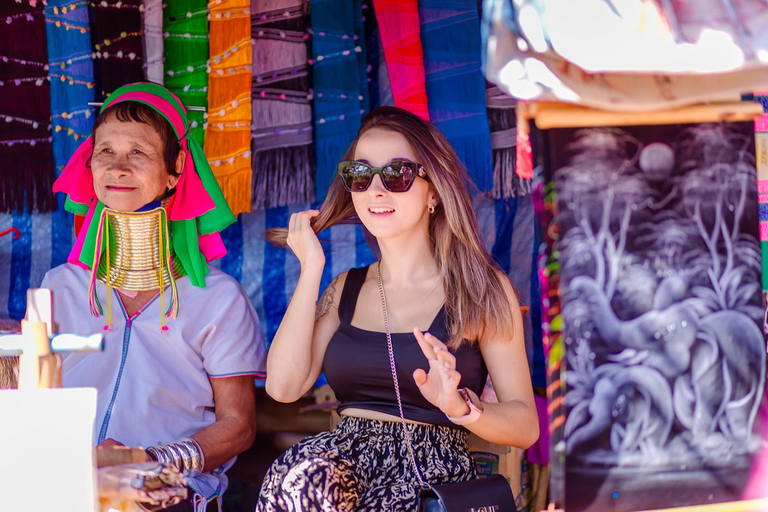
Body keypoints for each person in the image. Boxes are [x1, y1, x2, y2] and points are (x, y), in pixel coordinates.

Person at [257, 106, 539, 511]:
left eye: (397, 174)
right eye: (360, 174)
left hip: (431, 474)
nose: (376, 189)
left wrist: (460, 406)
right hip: (337, 469)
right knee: (299, 480)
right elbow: (284, 387)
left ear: (434, 191)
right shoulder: (345, 289)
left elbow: (525, 425)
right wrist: (311, 270)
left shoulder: (481, 290)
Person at [41, 82, 267, 512]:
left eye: (138, 153)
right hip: (64, 487)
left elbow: (238, 426)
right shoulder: (60, 287)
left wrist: (149, 462)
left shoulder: (217, 299)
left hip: (171, 492)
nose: (117, 167)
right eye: (105, 151)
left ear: (175, 168)